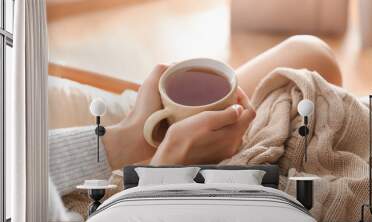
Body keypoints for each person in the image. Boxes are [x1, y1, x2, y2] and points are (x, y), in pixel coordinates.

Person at [49, 35, 342, 195]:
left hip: (68, 138)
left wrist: (130, 137)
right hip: (111, 171)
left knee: (311, 53)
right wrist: (163, 170)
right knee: (312, 59)